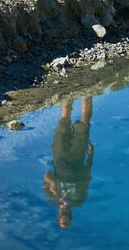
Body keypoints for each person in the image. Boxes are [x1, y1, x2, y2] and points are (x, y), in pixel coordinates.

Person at [43, 96, 94, 229]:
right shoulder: (79, 199)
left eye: (62, 220)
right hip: (78, 156)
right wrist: (90, 157)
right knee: (84, 123)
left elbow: (47, 175)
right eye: (66, 220)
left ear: (59, 216)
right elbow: (87, 177)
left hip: (59, 156)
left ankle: (68, 94)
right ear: (70, 216)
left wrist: (55, 192)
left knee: (64, 119)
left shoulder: (51, 197)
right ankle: (88, 93)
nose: (64, 217)